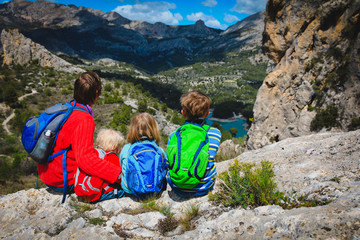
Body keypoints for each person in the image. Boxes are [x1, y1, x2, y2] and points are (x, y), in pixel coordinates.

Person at [37, 72, 122, 200]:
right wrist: (119, 175)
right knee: (116, 181)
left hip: (46, 174)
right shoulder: (84, 119)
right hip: (62, 180)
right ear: (96, 93)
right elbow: (86, 160)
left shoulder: (67, 108)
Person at [166, 90, 221, 198]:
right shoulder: (215, 133)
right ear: (207, 114)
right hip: (203, 188)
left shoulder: (174, 135)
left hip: (177, 187)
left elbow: (169, 163)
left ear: (183, 113)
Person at [120, 113, 167, 198]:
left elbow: (123, 168)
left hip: (131, 191)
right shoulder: (159, 150)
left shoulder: (126, 149)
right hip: (156, 191)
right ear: (154, 129)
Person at [74, 128, 125, 202]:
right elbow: (120, 177)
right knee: (126, 193)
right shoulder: (112, 157)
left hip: (85, 193)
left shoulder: (93, 155)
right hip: (102, 193)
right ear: (115, 146)